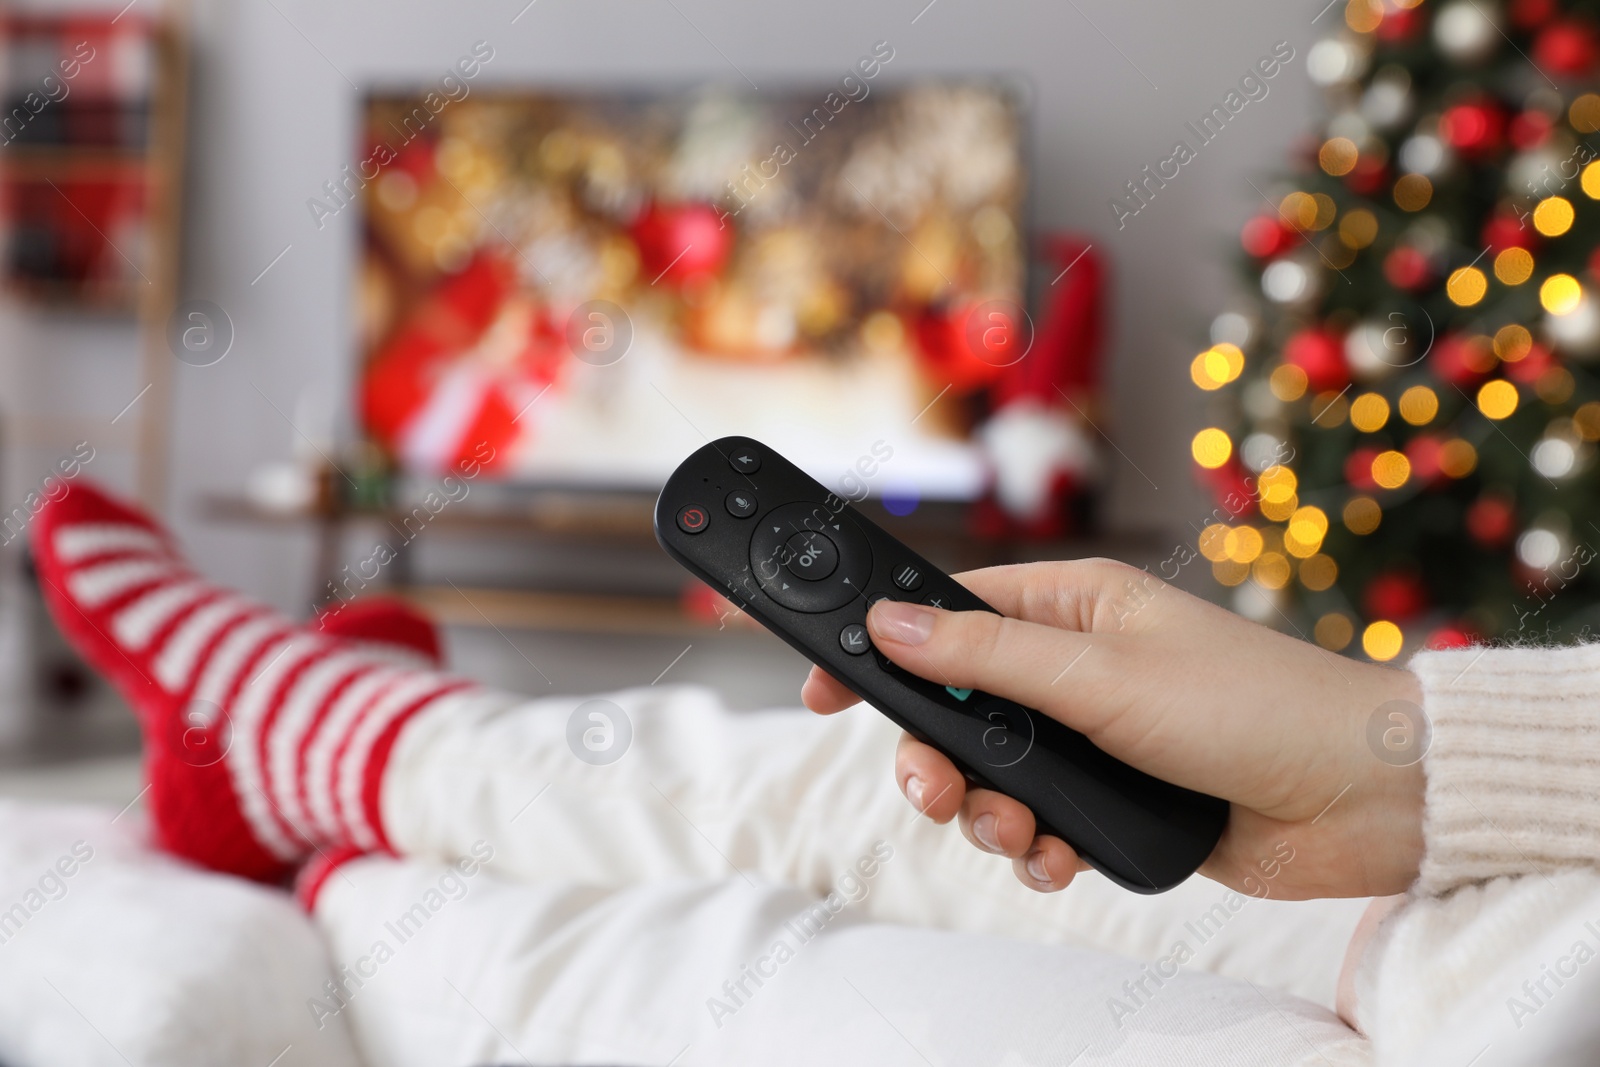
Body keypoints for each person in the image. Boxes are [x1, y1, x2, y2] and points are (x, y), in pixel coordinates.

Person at [29, 482, 1600, 1065]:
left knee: (741, 978)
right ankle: (370, 748)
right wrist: (1410, 763)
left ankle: (338, 808)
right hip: (1534, 881)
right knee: (877, 787)